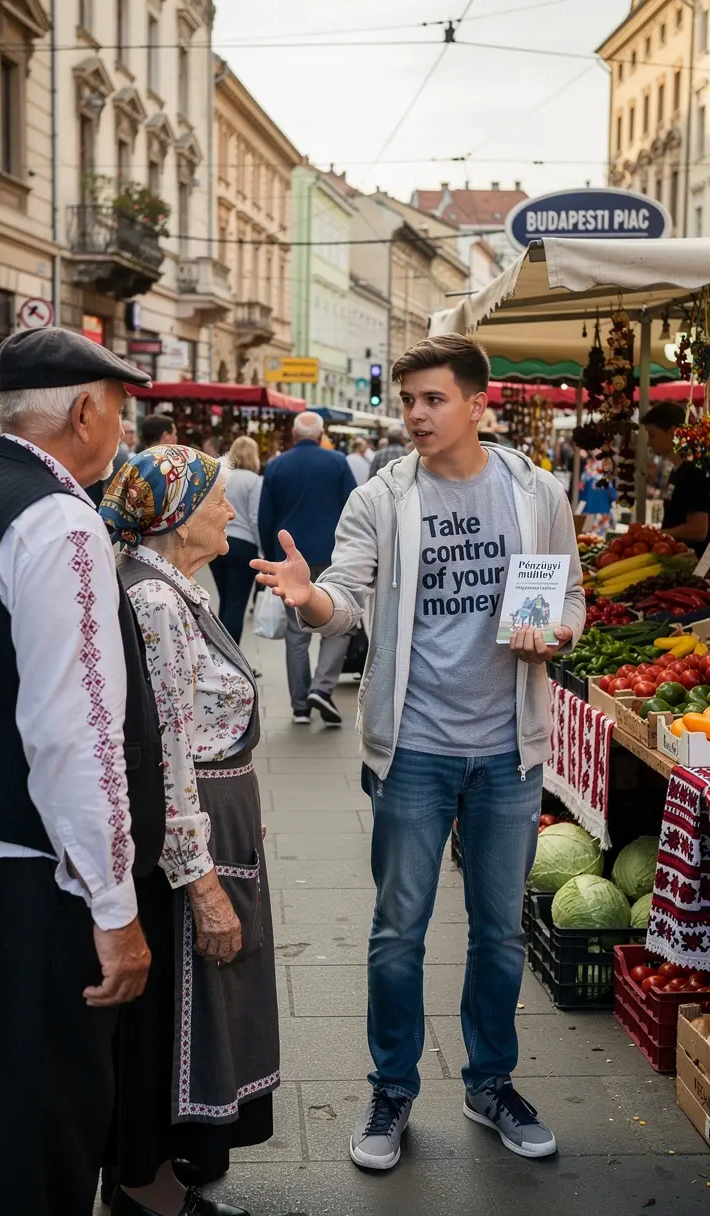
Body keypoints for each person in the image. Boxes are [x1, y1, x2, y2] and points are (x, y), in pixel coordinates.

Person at [253, 333, 585, 1171]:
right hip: (414, 751)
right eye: (408, 400)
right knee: (398, 930)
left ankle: (490, 1083)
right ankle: (392, 1089)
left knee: (500, 933)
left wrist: (559, 631)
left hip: (510, 750)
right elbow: (345, 597)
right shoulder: (384, 497)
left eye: (433, 399)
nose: (415, 415)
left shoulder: (536, 492)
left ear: (478, 404)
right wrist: (310, 600)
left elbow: (569, 595)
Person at [0, 327, 166, 1216]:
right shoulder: (60, 519)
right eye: (118, 407)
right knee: (41, 1118)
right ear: (84, 412)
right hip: (24, 866)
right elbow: (75, 734)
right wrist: (114, 907)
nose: (122, 426)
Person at [100, 445, 279, 1216]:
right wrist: (201, 879)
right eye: (216, 502)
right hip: (191, 828)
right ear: (177, 518)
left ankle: (171, 1164)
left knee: (200, 1003)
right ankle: (147, 1185)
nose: (230, 512)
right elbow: (167, 748)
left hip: (216, 814)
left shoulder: (177, 589)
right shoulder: (157, 602)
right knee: (179, 1007)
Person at [257, 411, 356, 726]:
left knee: (296, 632)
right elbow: (353, 508)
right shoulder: (337, 462)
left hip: (290, 559)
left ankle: (300, 705)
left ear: (294, 434)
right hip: (332, 554)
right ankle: (322, 688)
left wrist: (272, 557)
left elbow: (265, 517)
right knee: (339, 621)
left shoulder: (276, 465)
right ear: (321, 434)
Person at [210, 436, 262, 644]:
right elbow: (255, 517)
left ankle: (218, 649)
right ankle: (230, 654)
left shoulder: (221, 477)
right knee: (236, 604)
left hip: (218, 541)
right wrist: (262, 548)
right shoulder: (255, 481)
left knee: (224, 599)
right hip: (244, 545)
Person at [641, 401, 710, 554]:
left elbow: (699, 530)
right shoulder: (677, 471)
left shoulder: (693, 472)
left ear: (673, 432)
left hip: (693, 562)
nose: (649, 443)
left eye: (653, 435)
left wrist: (658, 534)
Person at [577, 452, 617, 534]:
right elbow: (613, 496)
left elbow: (581, 495)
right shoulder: (608, 477)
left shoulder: (586, 474)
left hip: (588, 512)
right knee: (602, 539)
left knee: (587, 538)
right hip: (604, 512)